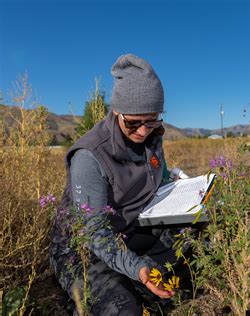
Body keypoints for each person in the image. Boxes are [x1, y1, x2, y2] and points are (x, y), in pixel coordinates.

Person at [50, 54, 190, 315]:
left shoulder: (151, 137)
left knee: (194, 246)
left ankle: (137, 281)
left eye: (153, 120)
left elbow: (157, 177)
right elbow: (93, 232)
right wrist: (136, 268)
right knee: (123, 308)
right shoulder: (89, 156)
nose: (143, 131)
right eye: (134, 123)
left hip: (131, 230)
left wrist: (179, 183)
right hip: (81, 249)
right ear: (116, 112)